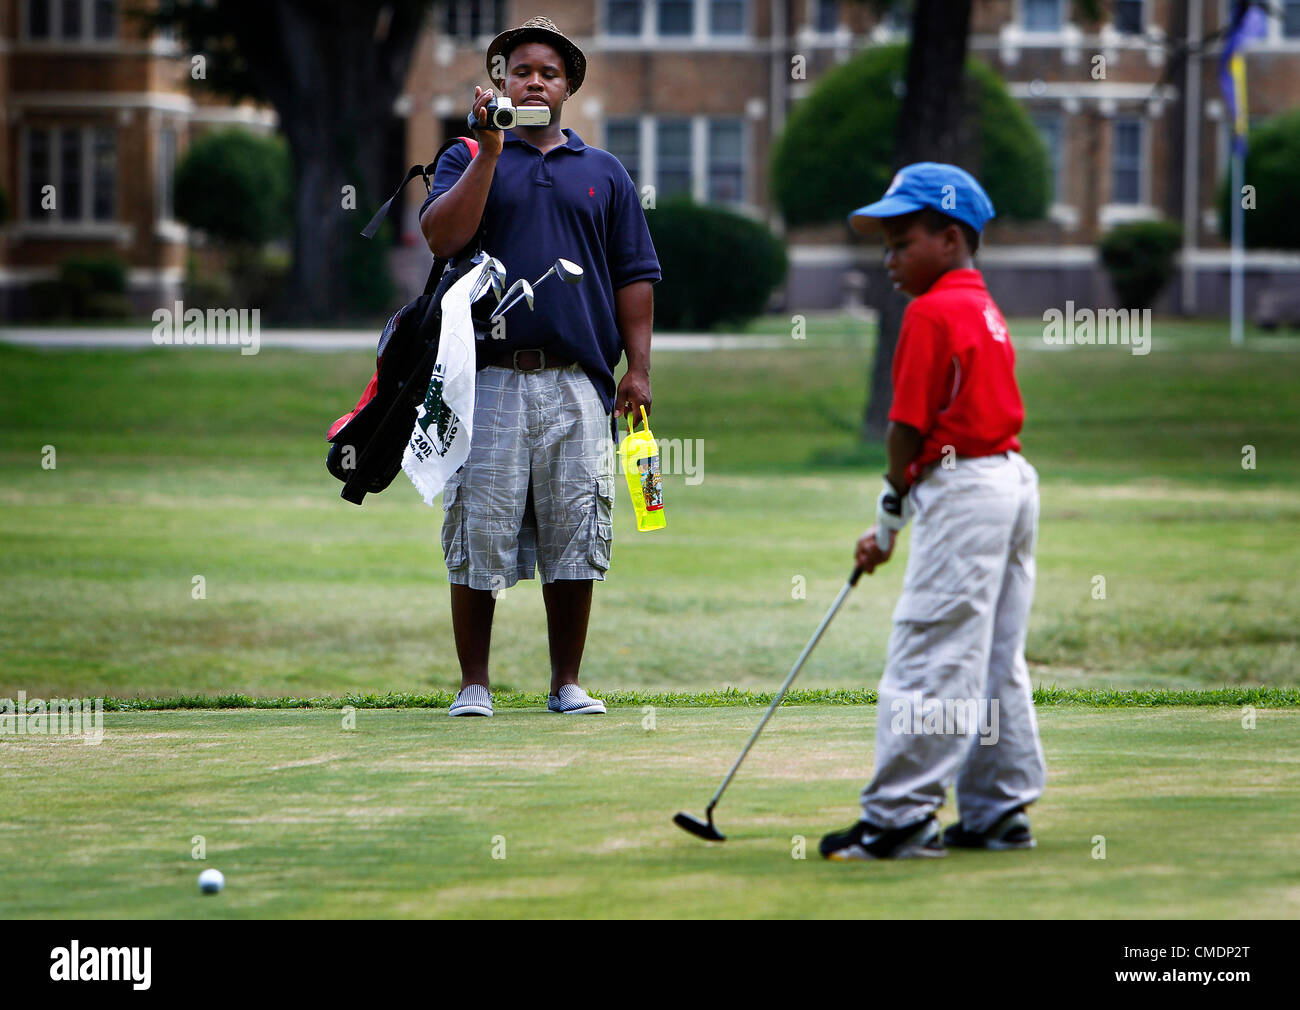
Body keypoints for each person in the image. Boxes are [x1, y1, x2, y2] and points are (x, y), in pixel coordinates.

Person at [418, 16, 660, 717]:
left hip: (578, 381)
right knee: (479, 528)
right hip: (488, 377)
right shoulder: (467, 155)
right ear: (499, 80)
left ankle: (566, 684)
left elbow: (634, 278)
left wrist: (637, 371)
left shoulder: (604, 172)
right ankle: (475, 684)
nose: (533, 81)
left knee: (575, 529)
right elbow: (443, 236)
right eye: (519, 69)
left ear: (569, 87)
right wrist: (490, 149)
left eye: (548, 73)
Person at [819, 163, 1047, 859]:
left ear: (949, 238)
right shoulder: (982, 305)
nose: (888, 259)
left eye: (901, 241)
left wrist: (890, 515)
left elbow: (906, 431)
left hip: (969, 493)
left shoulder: (930, 310)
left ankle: (901, 818)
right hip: (1010, 482)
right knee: (994, 654)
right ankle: (996, 810)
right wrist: (891, 519)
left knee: (933, 647)